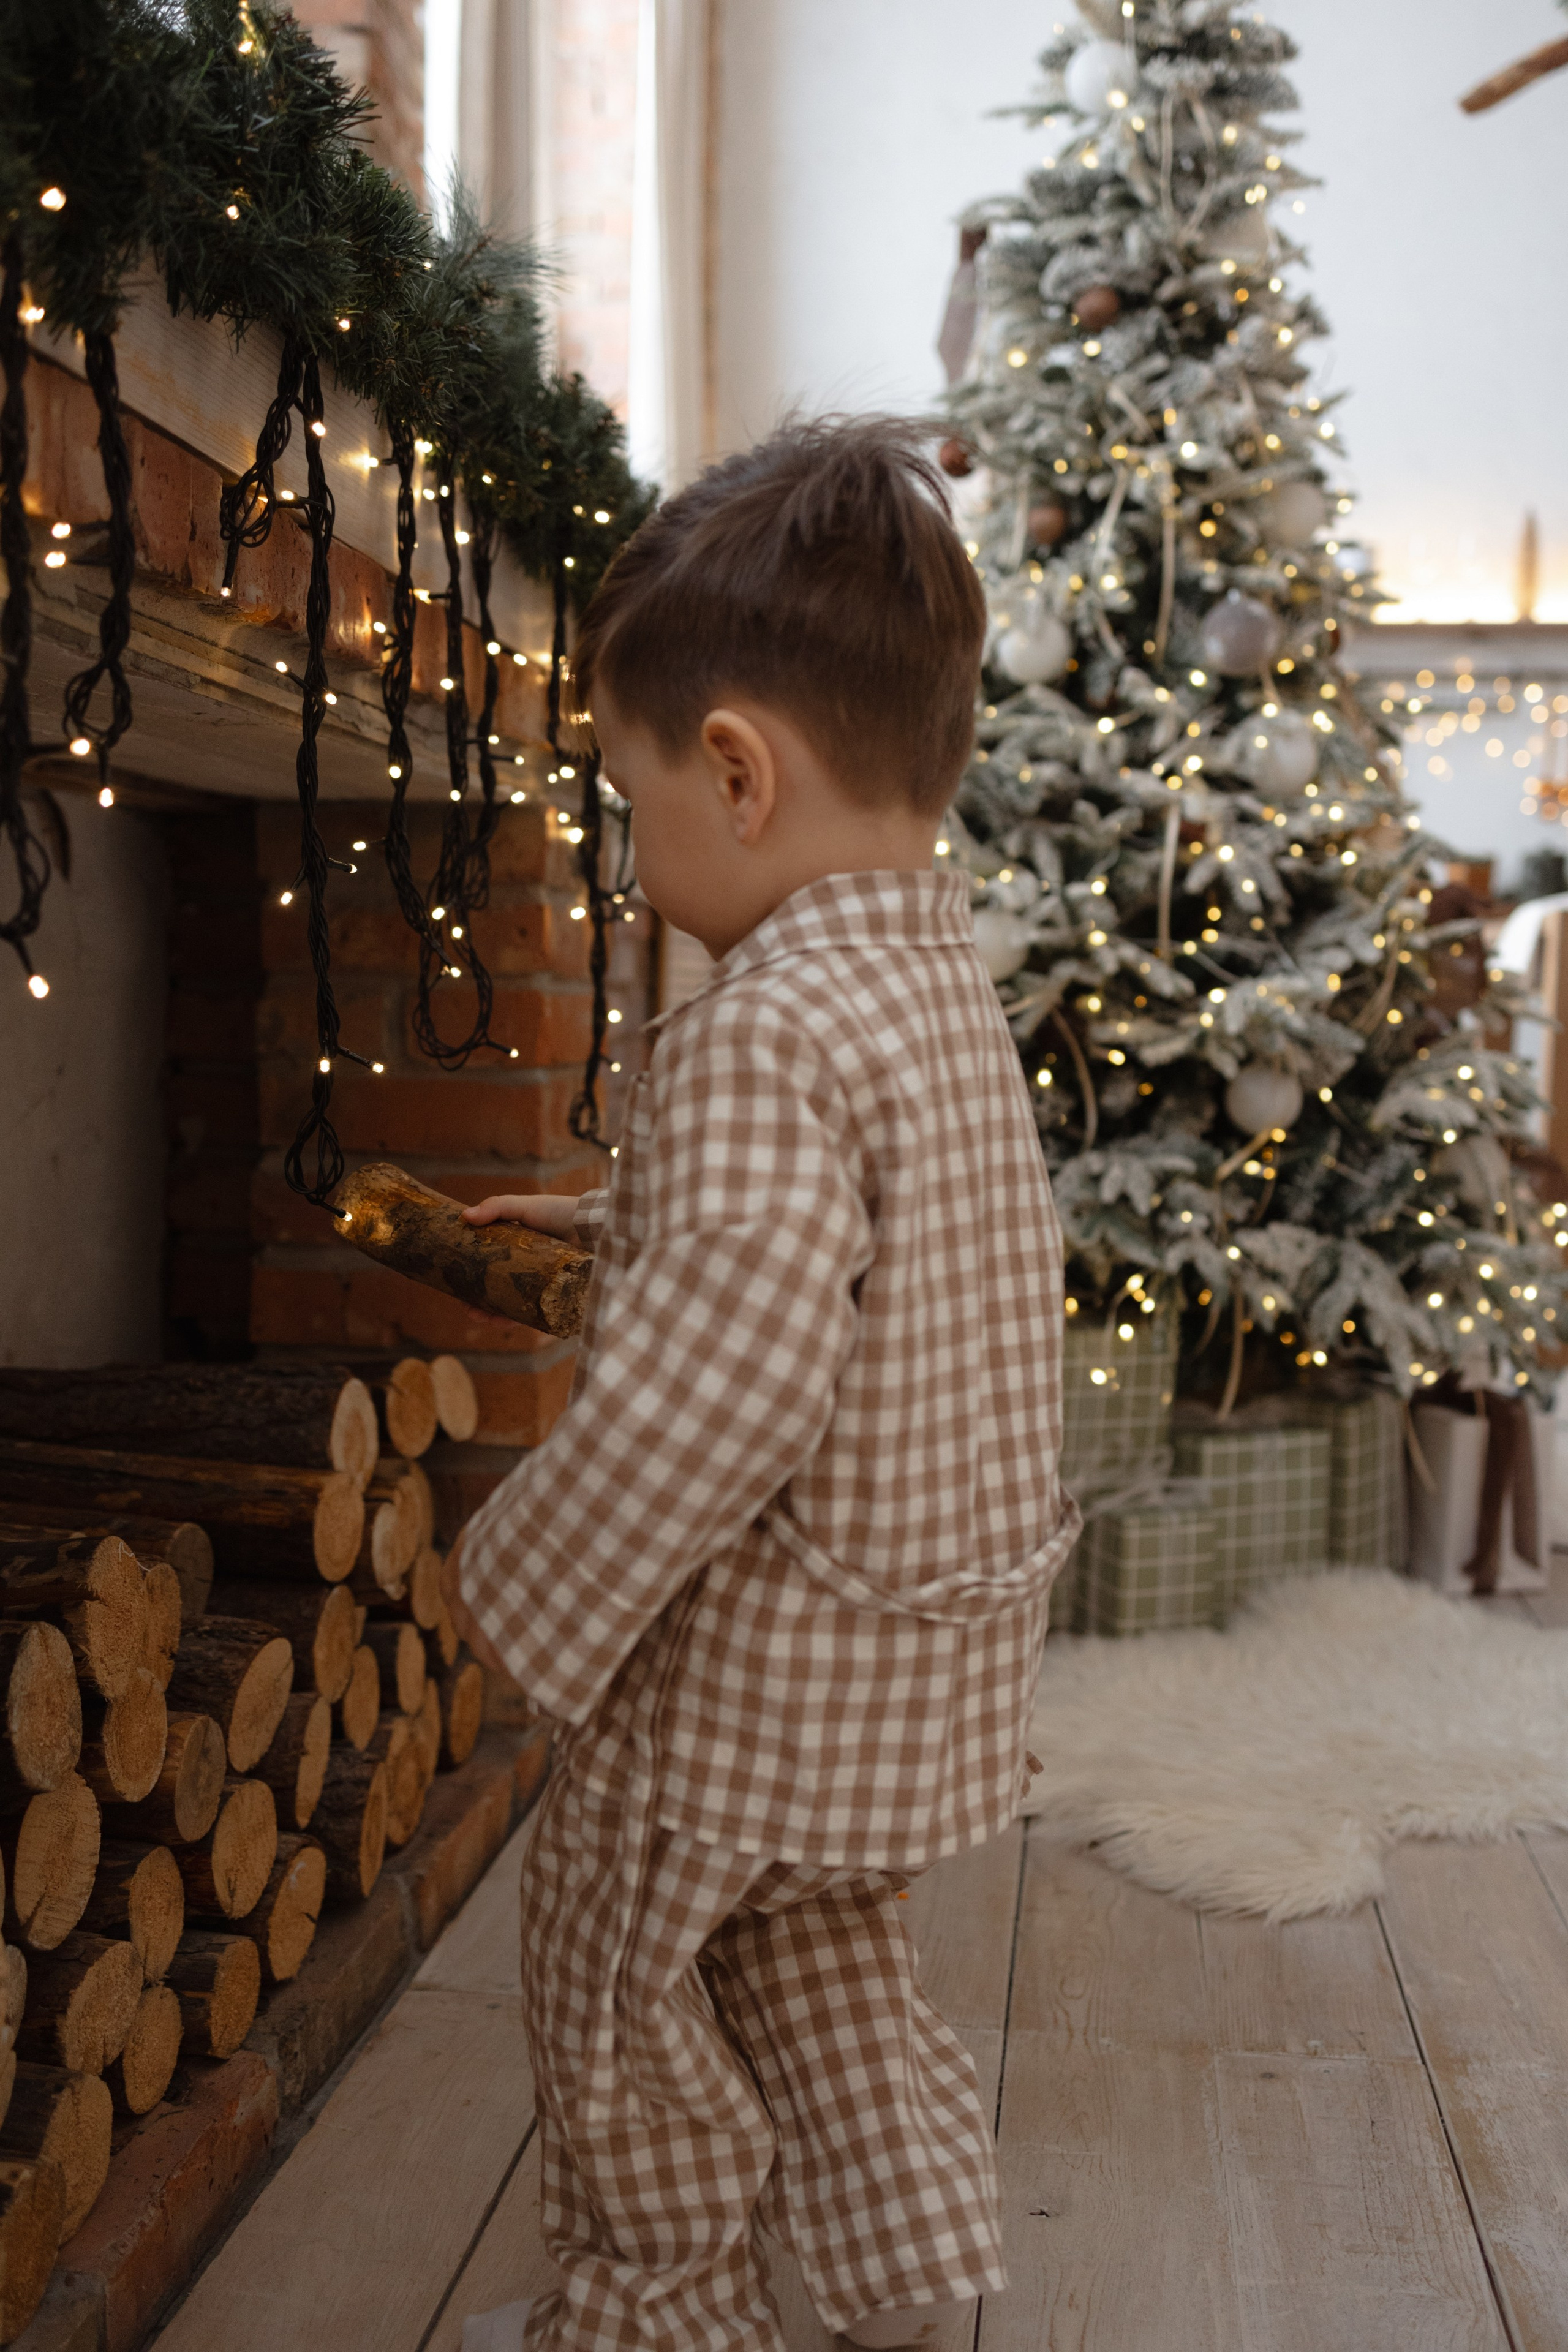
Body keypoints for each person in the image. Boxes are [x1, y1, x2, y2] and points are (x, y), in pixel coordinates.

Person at [445, 417, 1077, 2352]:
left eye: (631, 810)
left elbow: (716, 1398)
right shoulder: (936, 1003)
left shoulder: (756, 1038)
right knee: (824, 1978)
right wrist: (612, 1218)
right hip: (916, 1684)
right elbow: (843, 1288)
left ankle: (658, 2318)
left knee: (619, 2007)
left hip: (743, 1701)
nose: (634, 870)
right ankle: (919, 2286)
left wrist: (515, 1592)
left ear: (736, 769)